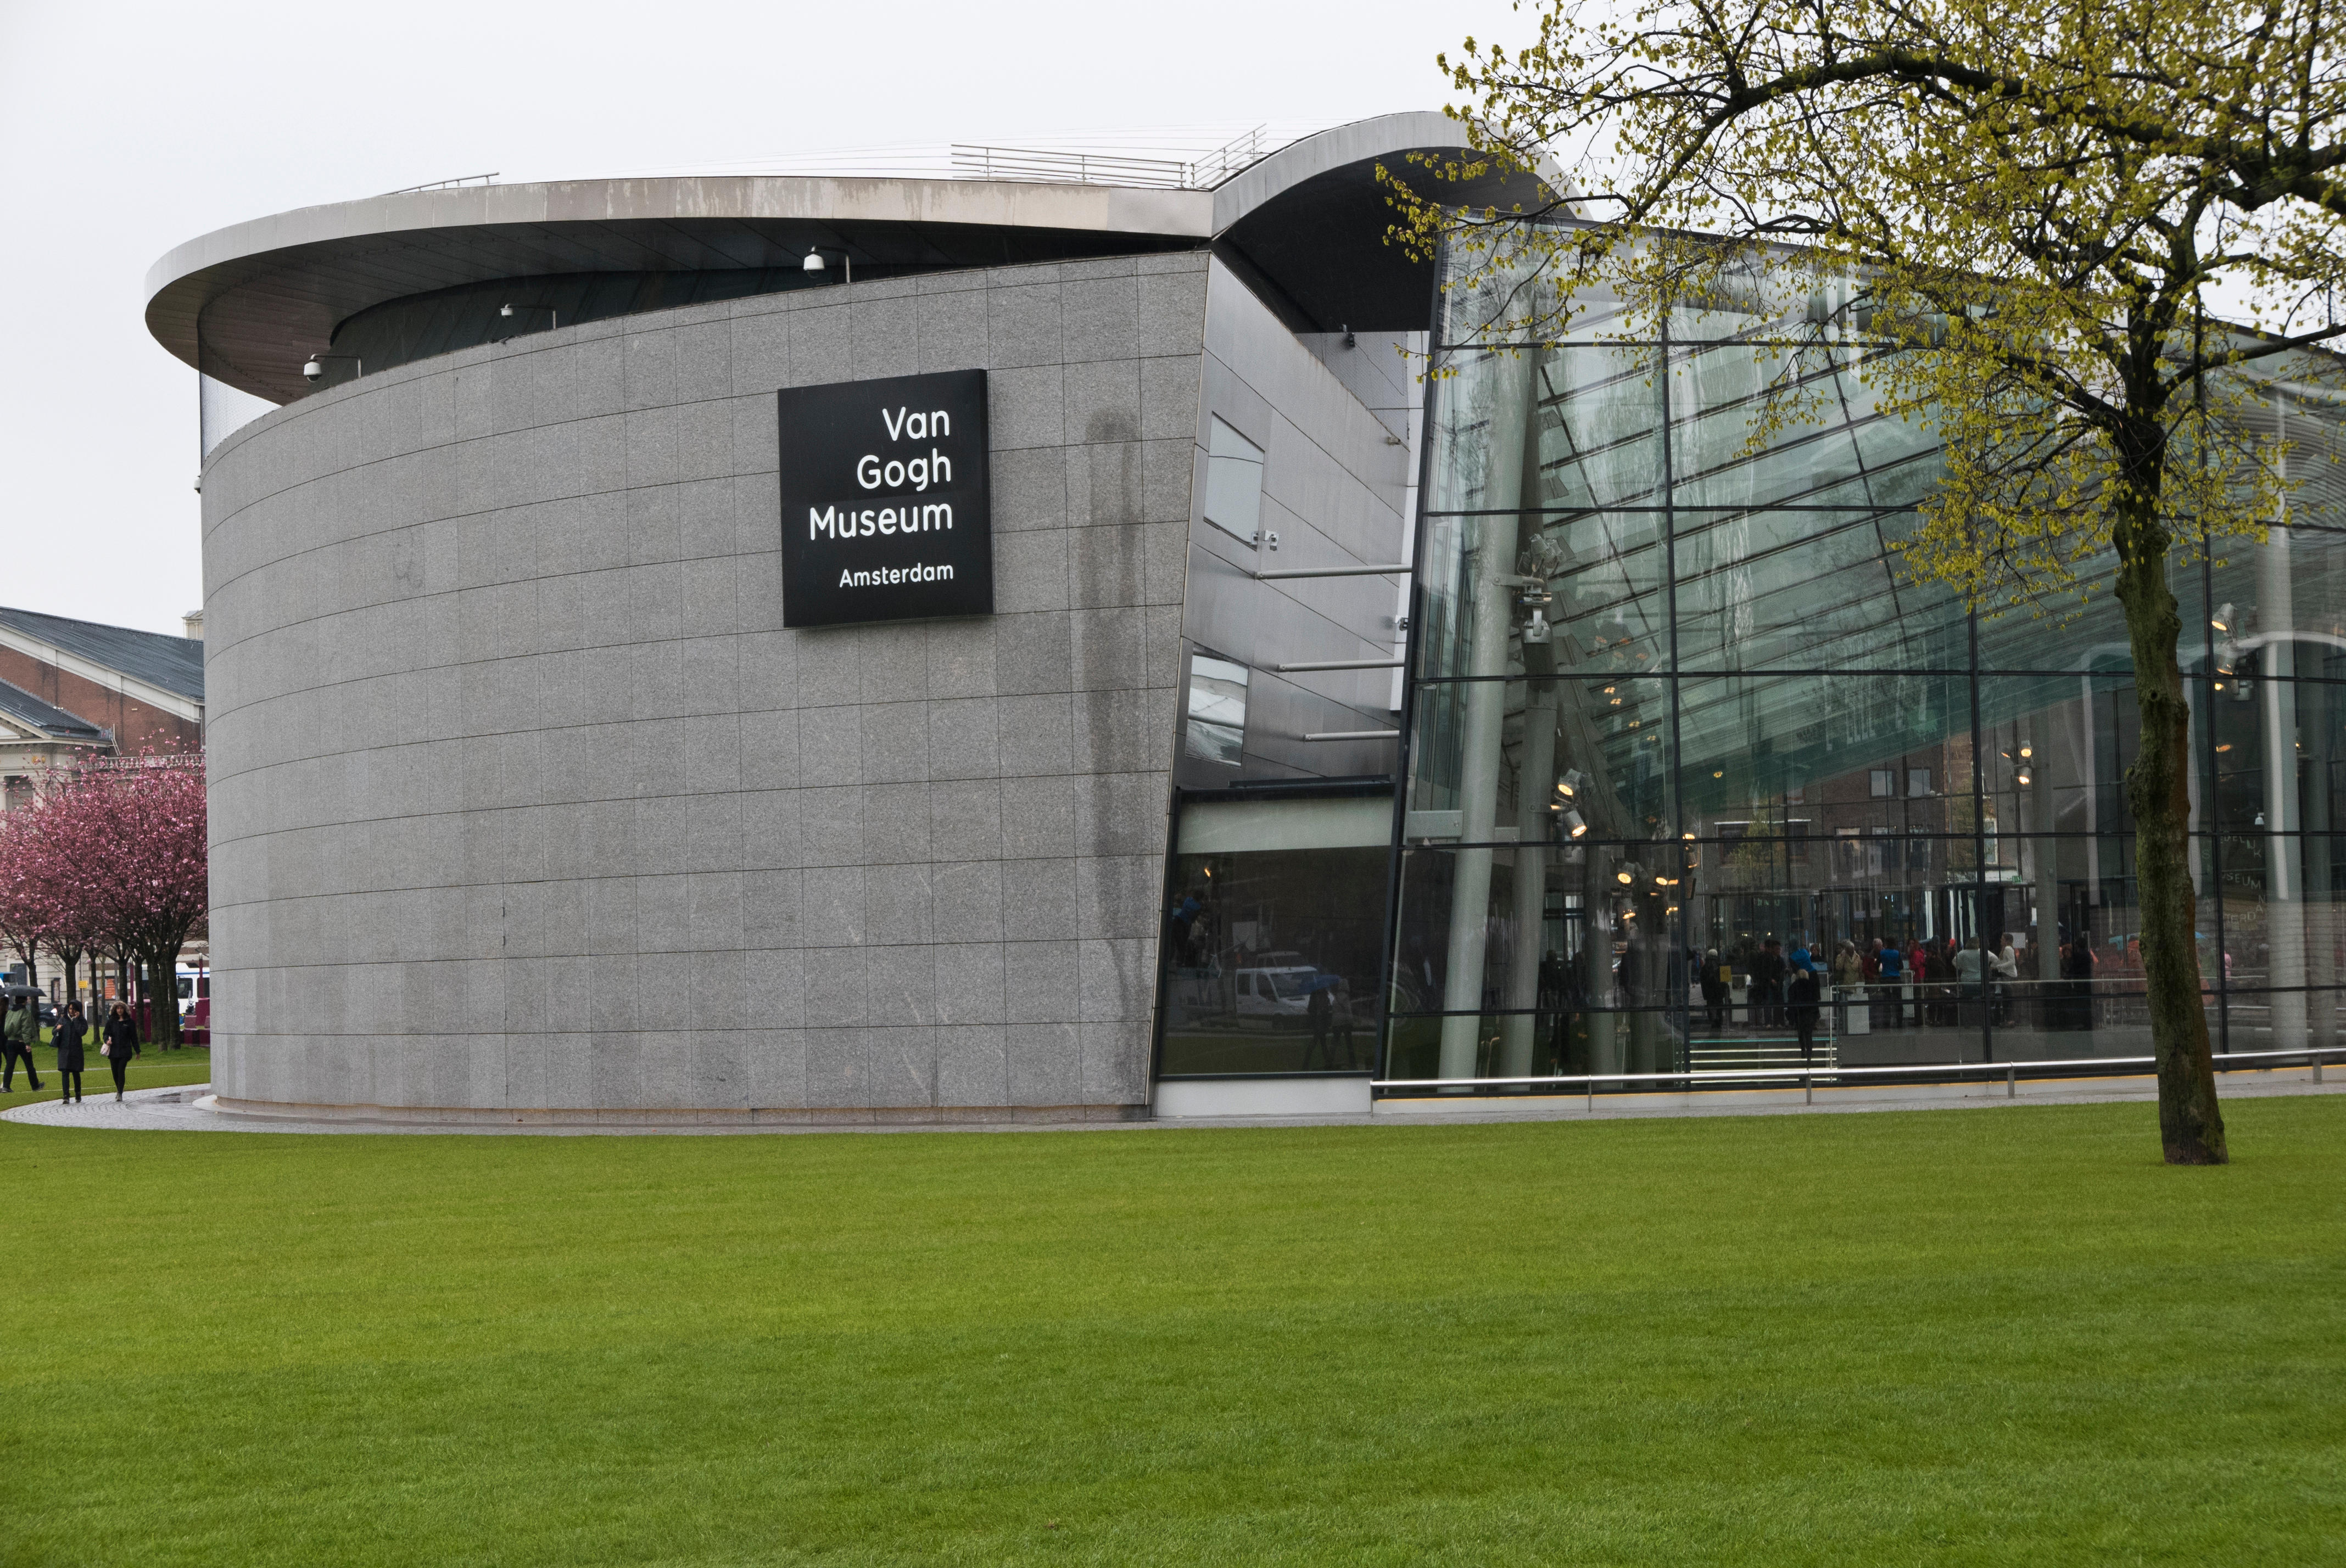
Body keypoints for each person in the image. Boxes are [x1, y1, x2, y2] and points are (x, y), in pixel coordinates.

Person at [1785, 951, 1823, 1067]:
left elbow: (1791, 1002)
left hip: (1799, 1014)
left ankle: (1803, 1051)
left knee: (1801, 1034)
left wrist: (1791, 1018)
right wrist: (1817, 1015)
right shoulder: (1812, 984)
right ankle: (1810, 1055)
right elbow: (1816, 1000)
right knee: (1809, 1035)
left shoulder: (1793, 987)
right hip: (1810, 1014)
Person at [1, 991, 40, 1094]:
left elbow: (6, 1028)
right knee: (29, 1065)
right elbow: (26, 1029)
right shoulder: (25, 1013)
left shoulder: (10, 1012)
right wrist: (27, 1043)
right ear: (25, 1001)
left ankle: (6, 1086)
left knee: (10, 1066)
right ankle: (35, 1085)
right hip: (21, 1042)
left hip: (10, 1041)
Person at [101, 1001, 141, 1102]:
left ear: (125, 1010)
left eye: (121, 1008)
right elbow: (105, 1034)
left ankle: (120, 1093)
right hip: (114, 1051)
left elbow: (134, 1037)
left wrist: (137, 1051)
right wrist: (107, 1040)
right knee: (115, 1072)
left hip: (125, 1051)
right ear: (115, 1010)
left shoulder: (130, 1022)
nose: (120, 1010)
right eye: (118, 1008)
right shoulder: (111, 1022)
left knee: (121, 1071)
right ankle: (119, 1089)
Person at [52, 1000, 87, 1104]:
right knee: (65, 1072)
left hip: (76, 1050)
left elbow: (82, 1032)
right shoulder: (63, 1019)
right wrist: (58, 1029)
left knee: (76, 1073)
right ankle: (66, 1096)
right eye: (71, 1009)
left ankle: (78, 1094)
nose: (72, 1011)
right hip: (64, 1050)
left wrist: (76, 1020)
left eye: (74, 1009)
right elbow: (53, 1031)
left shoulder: (82, 1020)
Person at [1699, 949, 1727, 1032]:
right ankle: (1719, 1022)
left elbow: (1703, 982)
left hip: (1710, 994)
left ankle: (1713, 1022)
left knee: (1711, 1007)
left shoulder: (1704, 968)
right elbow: (1726, 981)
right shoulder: (1722, 966)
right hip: (1719, 993)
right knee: (1719, 1008)